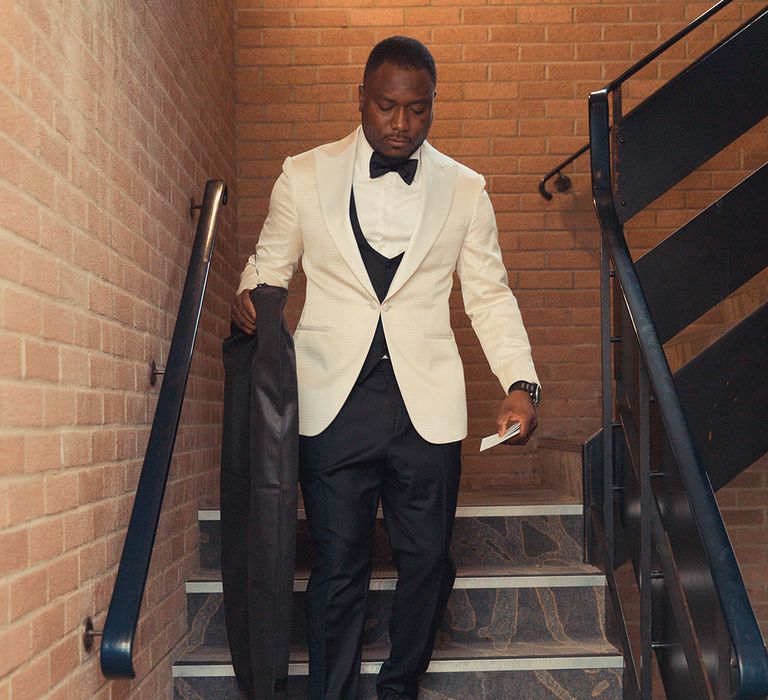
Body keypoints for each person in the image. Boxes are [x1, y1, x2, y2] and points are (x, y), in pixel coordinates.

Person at [230, 36, 540, 700]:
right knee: (338, 564)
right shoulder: (305, 174)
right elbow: (269, 260)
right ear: (362, 99)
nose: (401, 124)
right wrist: (248, 293)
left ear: (433, 106)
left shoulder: (464, 189)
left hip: (424, 409)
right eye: (387, 107)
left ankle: (400, 686)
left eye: (418, 109)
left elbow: (489, 294)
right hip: (331, 403)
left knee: (428, 561)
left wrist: (520, 381)